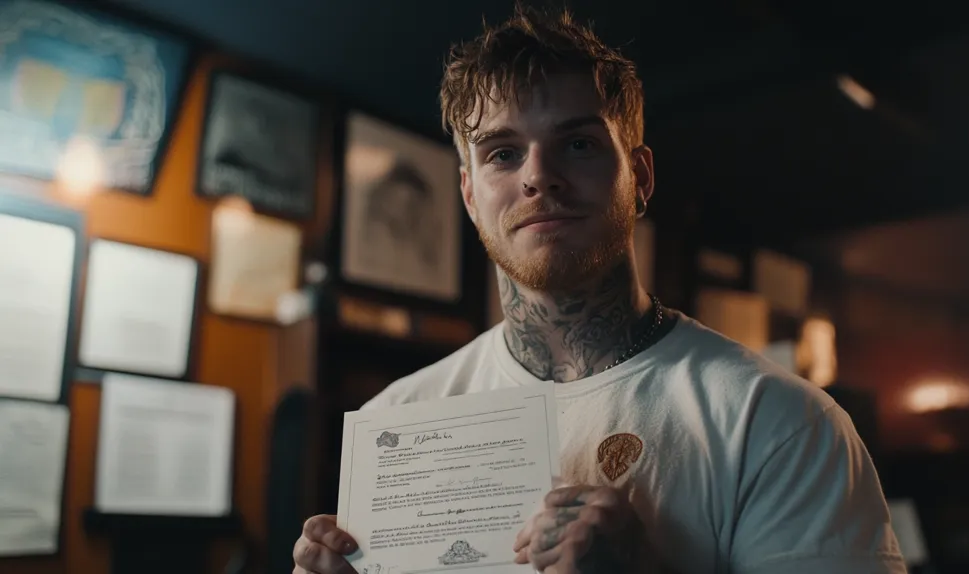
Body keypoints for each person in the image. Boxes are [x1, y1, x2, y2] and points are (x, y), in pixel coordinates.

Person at [293, 5, 906, 574]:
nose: (538, 176)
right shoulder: (397, 423)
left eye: (578, 144)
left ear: (638, 177)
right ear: (470, 196)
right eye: (503, 154)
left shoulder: (776, 422)